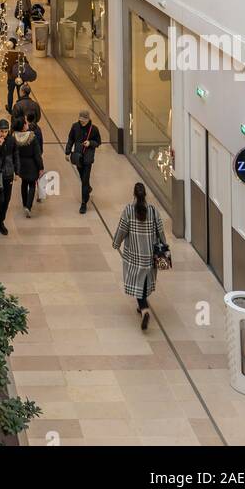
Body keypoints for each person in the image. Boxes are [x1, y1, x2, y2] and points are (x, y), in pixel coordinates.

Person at [112, 181, 168, 331]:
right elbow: (161, 231)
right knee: (144, 280)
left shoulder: (129, 210)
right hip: (149, 254)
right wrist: (165, 246)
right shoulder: (153, 210)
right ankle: (142, 306)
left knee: (137, 281)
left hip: (134, 254)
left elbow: (122, 228)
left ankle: (144, 309)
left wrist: (116, 243)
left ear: (134, 195)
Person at [65, 109, 102, 214]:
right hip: (78, 157)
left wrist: (90, 143)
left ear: (88, 119)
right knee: (82, 177)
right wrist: (67, 152)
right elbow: (70, 139)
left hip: (87, 158)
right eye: (81, 120)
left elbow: (98, 142)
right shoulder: (75, 127)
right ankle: (88, 188)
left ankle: (84, 203)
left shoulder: (94, 129)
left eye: (84, 120)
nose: (82, 122)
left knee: (84, 180)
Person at [13, 117, 43, 218]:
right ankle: (29, 207)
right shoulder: (32, 137)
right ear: (23, 126)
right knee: (32, 185)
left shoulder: (14, 137)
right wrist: (41, 167)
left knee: (24, 183)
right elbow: (37, 154)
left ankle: (24, 203)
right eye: (26, 124)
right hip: (31, 164)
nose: (27, 125)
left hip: (21, 163)